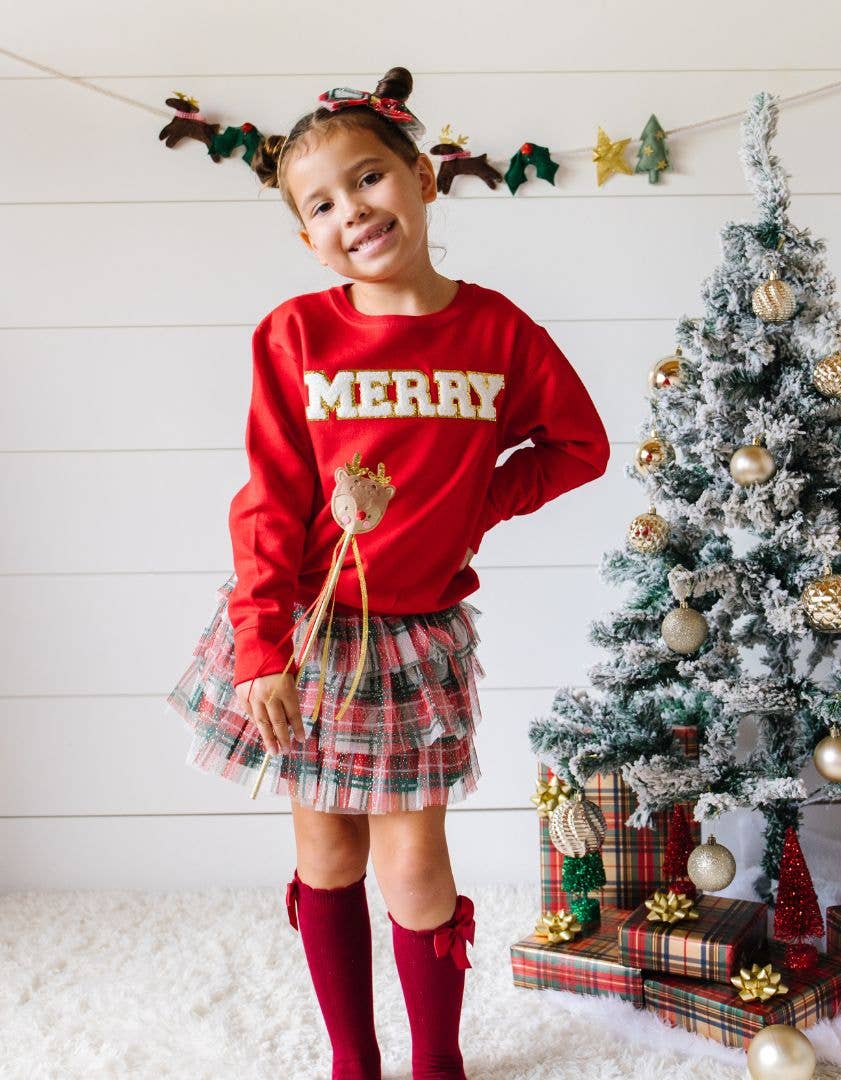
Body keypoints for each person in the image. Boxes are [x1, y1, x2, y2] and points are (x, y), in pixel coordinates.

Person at [165, 65, 610, 1080]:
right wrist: (261, 649)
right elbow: (270, 504)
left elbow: (578, 446)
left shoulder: (498, 333)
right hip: (307, 638)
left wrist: (472, 506)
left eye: (369, 179)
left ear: (421, 177)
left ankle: (437, 1060)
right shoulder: (297, 336)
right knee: (328, 854)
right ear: (305, 234)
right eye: (320, 203)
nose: (352, 211)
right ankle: (353, 1059)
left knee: (413, 863)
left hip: (414, 643)